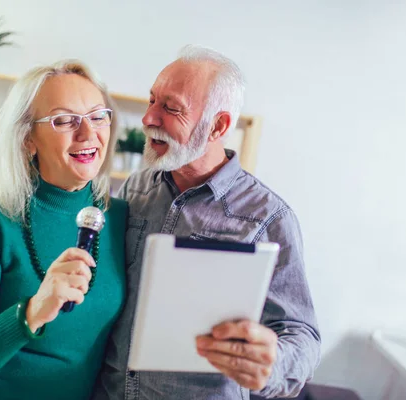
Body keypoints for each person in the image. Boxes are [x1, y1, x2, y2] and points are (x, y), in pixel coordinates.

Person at [94, 45, 321, 400]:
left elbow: (301, 334)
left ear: (218, 126)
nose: (149, 118)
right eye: (152, 101)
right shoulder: (136, 187)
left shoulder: (269, 216)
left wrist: (272, 362)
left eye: (171, 108)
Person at [0, 60, 127, 400]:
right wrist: (33, 311)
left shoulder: (122, 218)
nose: (88, 133)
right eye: (64, 120)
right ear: (27, 139)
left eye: (97, 116)